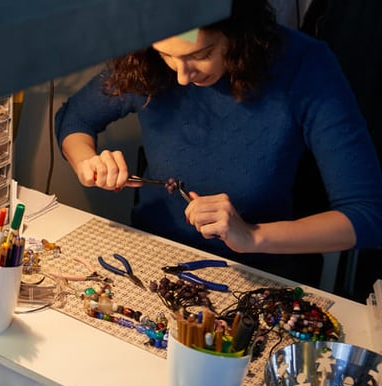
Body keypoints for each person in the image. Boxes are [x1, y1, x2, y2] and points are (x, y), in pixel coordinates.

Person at [54, 0, 382, 286]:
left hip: (260, 273)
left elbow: (367, 215)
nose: (182, 76)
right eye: (166, 54)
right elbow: (74, 119)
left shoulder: (304, 65)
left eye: (202, 54)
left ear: (238, 32)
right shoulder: (146, 60)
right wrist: (87, 162)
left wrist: (252, 236)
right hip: (154, 258)